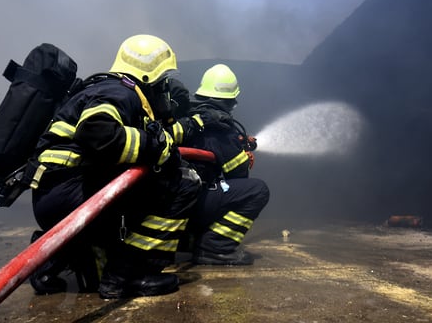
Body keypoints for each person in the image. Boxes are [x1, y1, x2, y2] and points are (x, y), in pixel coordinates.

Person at [27, 34, 202, 298]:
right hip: (74, 195)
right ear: (148, 76)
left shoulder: (105, 90)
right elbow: (97, 133)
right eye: (162, 78)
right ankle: (129, 275)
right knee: (184, 182)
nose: (163, 86)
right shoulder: (119, 92)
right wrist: (154, 147)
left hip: (54, 196)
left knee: (103, 258)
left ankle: (52, 259)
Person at [181, 64, 270, 265]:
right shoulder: (220, 128)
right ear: (229, 101)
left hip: (178, 201)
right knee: (257, 191)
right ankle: (214, 246)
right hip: (194, 203)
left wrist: (236, 143)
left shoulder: (188, 119)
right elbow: (237, 176)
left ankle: (190, 240)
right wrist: (243, 157)